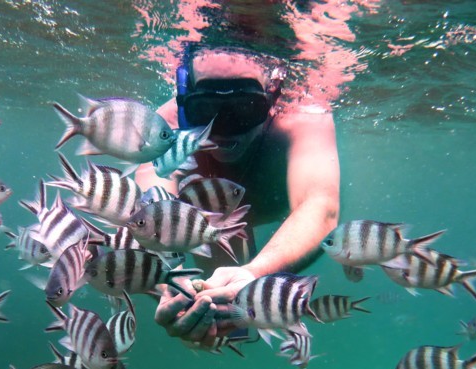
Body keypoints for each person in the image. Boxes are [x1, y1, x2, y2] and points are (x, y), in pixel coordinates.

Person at [134, 46, 340, 347]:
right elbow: (151, 212)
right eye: (205, 109)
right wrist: (171, 280)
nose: (224, 128)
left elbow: (320, 206)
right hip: (205, 225)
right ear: (185, 101)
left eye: (245, 108)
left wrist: (254, 273)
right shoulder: (164, 128)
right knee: (215, 319)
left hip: (215, 227)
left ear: (272, 97)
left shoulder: (302, 116)